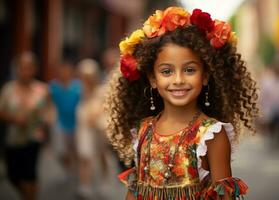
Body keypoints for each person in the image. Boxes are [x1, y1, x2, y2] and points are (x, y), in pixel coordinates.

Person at [106, 7, 258, 199]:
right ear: (153, 79)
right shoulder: (144, 131)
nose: (178, 79)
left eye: (189, 70)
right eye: (167, 71)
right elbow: (134, 192)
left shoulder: (212, 135)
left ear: (205, 76)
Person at [0, 52, 49, 200]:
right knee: (13, 175)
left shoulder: (42, 90)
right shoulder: (8, 89)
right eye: (22, 67)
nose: (25, 71)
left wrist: (43, 122)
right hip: (12, 139)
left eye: (29, 67)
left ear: (34, 69)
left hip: (33, 139)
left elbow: (48, 113)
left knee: (29, 174)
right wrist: (14, 119)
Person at [76, 59, 109, 198]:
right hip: (84, 128)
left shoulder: (101, 90)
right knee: (85, 156)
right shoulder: (79, 90)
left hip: (99, 127)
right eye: (84, 76)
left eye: (89, 76)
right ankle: (85, 185)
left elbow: (105, 108)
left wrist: (96, 115)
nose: (87, 79)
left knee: (101, 154)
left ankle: (104, 180)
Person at [49, 60, 82, 175]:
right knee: (61, 151)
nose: (65, 73)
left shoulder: (78, 86)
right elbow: (48, 104)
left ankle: (77, 170)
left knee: (76, 149)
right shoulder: (53, 87)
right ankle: (68, 168)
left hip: (76, 123)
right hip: (60, 122)